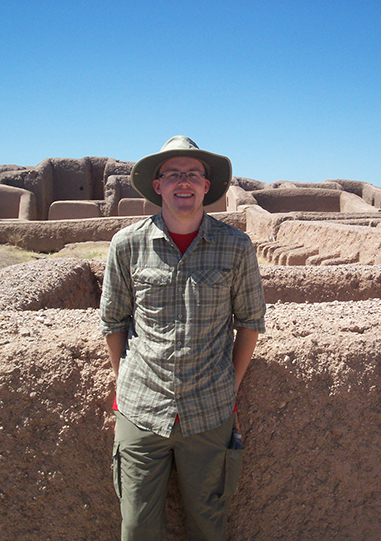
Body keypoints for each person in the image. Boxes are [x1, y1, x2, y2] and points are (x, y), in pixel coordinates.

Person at [100, 136, 266, 540]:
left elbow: (250, 322)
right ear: (157, 185)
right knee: (137, 527)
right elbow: (113, 322)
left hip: (210, 411)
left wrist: (231, 386)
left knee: (208, 527)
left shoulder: (235, 247)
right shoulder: (127, 245)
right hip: (141, 410)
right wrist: (125, 381)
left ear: (207, 185)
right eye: (173, 174)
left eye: (193, 173)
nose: (184, 182)